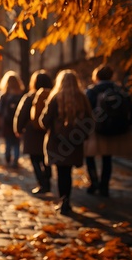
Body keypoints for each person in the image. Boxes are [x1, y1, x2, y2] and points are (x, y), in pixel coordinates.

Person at [40, 69, 93, 215]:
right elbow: (90, 120)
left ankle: (63, 201)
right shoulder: (82, 98)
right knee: (68, 172)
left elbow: (44, 121)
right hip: (74, 143)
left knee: (61, 172)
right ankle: (67, 200)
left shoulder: (55, 97)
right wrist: (82, 135)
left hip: (57, 143)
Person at [84, 65, 132, 197]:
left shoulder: (92, 91)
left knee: (89, 156)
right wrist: (131, 123)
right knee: (107, 158)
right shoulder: (120, 89)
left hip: (95, 130)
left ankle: (94, 182)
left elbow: (86, 110)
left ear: (96, 77)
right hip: (115, 128)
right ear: (111, 76)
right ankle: (104, 186)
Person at [14, 71, 53, 193]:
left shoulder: (29, 97)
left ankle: (42, 184)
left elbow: (21, 114)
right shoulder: (52, 95)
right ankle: (48, 182)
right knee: (46, 159)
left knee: (35, 159)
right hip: (47, 132)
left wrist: (18, 129)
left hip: (32, 134)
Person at [0, 71, 25, 168]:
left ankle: (7, 159)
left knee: (8, 142)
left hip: (6, 122)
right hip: (18, 122)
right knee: (16, 143)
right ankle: (15, 161)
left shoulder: (4, 95)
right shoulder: (21, 94)